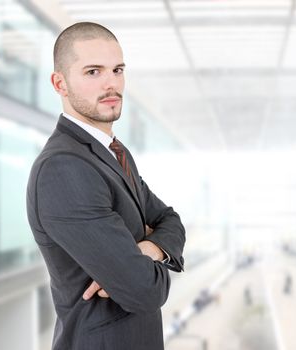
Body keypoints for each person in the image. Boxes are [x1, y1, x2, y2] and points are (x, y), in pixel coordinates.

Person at [26, 22, 186, 350]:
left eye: (117, 69)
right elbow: (144, 291)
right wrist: (141, 266)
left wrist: (146, 249)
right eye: (93, 72)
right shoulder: (63, 168)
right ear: (60, 84)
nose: (111, 83)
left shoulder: (114, 153)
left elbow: (171, 221)